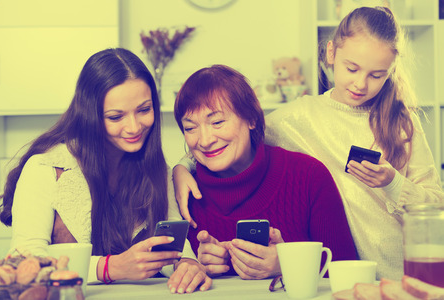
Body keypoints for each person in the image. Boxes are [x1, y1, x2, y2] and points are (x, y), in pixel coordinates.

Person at [174, 7, 444, 280]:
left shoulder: (402, 122)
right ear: (331, 53)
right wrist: (183, 166)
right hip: (348, 276)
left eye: (377, 75)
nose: (361, 84)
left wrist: (392, 183)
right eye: (351, 68)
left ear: (391, 71)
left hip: (409, 274)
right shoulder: (298, 116)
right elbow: (237, 133)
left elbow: (436, 206)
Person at [0, 48, 211, 294]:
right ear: (89, 115)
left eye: (144, 110)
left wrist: (188, 265)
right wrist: (108, 268)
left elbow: (174, 248)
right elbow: (26, 262)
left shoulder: (158, 170)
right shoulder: (46, 168)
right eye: (116, 117)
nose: (134, 127)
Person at [173, 64, 358, 280]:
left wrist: (289, 265)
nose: (204, 141)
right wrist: (196, 265)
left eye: (217, 122)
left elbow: (347, 272)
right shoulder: (182, 194)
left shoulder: (309, 176)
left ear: (251, 118)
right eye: (190, 128)